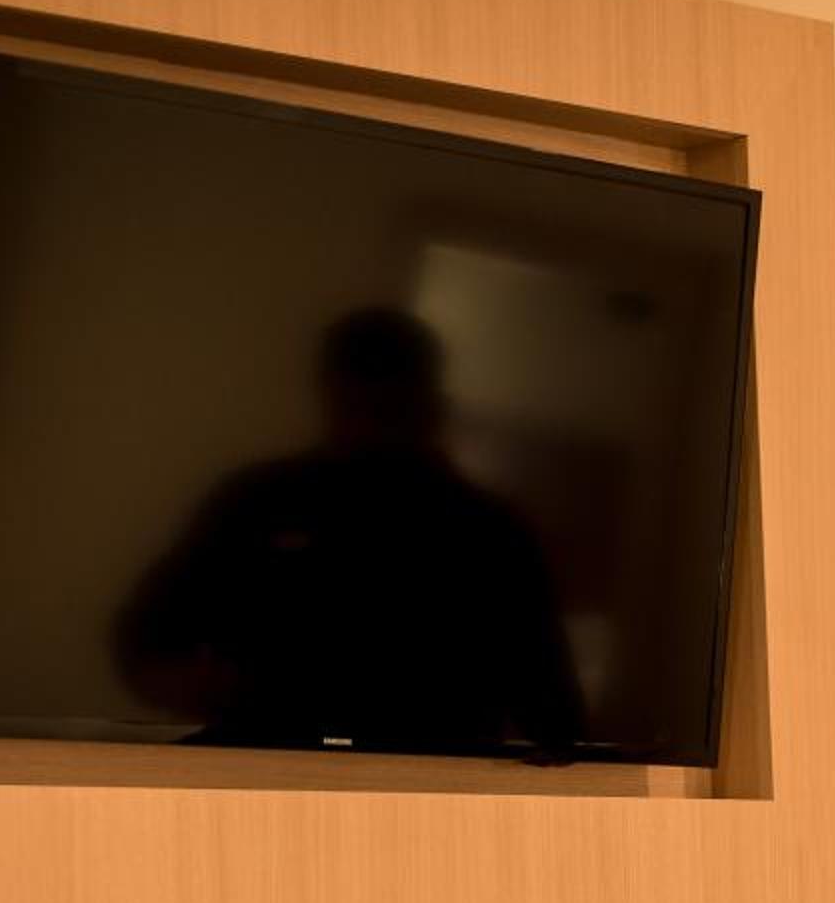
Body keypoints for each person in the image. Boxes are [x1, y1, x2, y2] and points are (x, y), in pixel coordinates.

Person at [116, 306, 584, 758]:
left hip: (434, 782)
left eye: (389, 409)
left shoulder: (491, 532)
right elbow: (143, 642)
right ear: (332, 398)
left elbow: (555, 713)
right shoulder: (256, 500)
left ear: (430, 406)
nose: (372, 429)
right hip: (256, 759)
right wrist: (196, 685)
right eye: (360, 405)